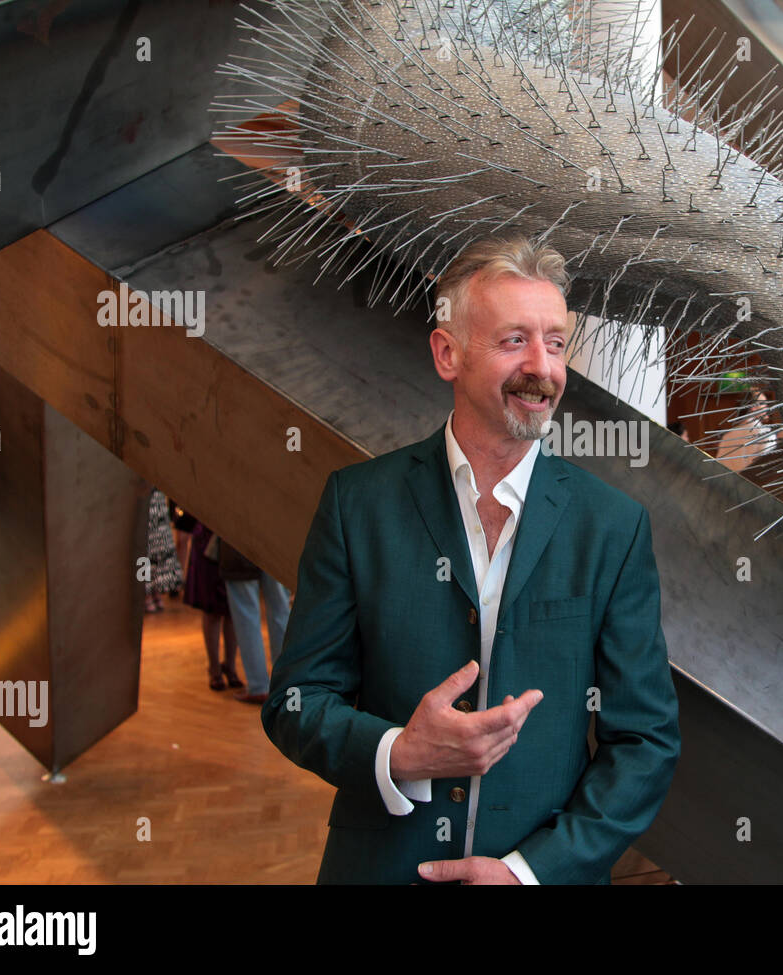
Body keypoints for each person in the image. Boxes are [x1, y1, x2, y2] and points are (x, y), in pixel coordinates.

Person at [263, 236, 680, 884]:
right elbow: (295, 699)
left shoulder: (611, 528)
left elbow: (645, 743)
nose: (543, 367)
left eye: (556, 342)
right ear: (447, 352)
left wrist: (530, 871)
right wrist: (398, 750)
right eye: (515, 340)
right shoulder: (357, 504)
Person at [216, 538, 291, 706]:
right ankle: (285, 684)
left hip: (238, 542)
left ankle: (259, 686)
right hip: (275, 543)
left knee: (246, 615)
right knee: (280, 612)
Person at [184, 520, 243, 692]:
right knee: (211, 608)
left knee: (233, 610)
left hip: (233, 539)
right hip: (207, 540)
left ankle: (230, 666)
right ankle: (214, 668)